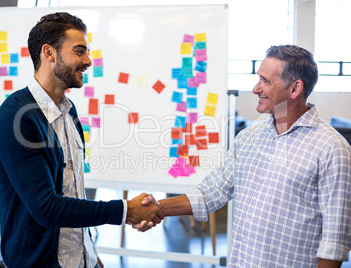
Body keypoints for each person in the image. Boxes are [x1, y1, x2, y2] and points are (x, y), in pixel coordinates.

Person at [138, 45, 351, 267]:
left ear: (295, 88)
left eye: (265, 81)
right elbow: (210, 192)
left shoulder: (332, 149)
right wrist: (157, 207)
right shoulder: (248, 137)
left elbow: (334, 242)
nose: (255, 88)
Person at [0, 12, 164, 268]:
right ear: (49, 53)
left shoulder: (68, 110)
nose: (88, 61)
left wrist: (88, 250)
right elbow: (46, 207)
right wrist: (125, 211)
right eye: (79, 51)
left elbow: (72, 189)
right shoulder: (15, 119)